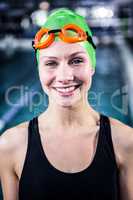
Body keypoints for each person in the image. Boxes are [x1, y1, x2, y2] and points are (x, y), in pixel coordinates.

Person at [0, 8, 133, 200]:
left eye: (77, 60)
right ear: (39, 70)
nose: (64, 77)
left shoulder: (126, 142)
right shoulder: (10, 145)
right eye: (51, 63)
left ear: (92, 67)